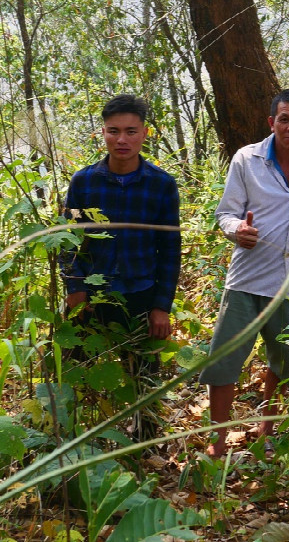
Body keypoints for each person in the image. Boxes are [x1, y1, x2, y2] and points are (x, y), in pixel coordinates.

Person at [200, 89, 289, 457]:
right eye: (284, 119)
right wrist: (237, 231)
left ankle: (268, 430)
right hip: (247, 278)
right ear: (271, 122)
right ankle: (216, 442)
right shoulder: (247, 159)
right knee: (224, 360)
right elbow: (226, 213)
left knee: (285, 361)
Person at [63, 94, 181, 377]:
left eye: (130, 131)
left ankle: (144, 424)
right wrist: (75, 289)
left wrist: (161, 306)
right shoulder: (84, 181)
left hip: (140, 295)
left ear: (144, 133)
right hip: (90, 297)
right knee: (74, 376)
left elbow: (169, 250)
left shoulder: (161, 185)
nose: (121, 140)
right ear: (102, 133)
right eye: (113, 131)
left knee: (144, 383)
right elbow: (67, 240)